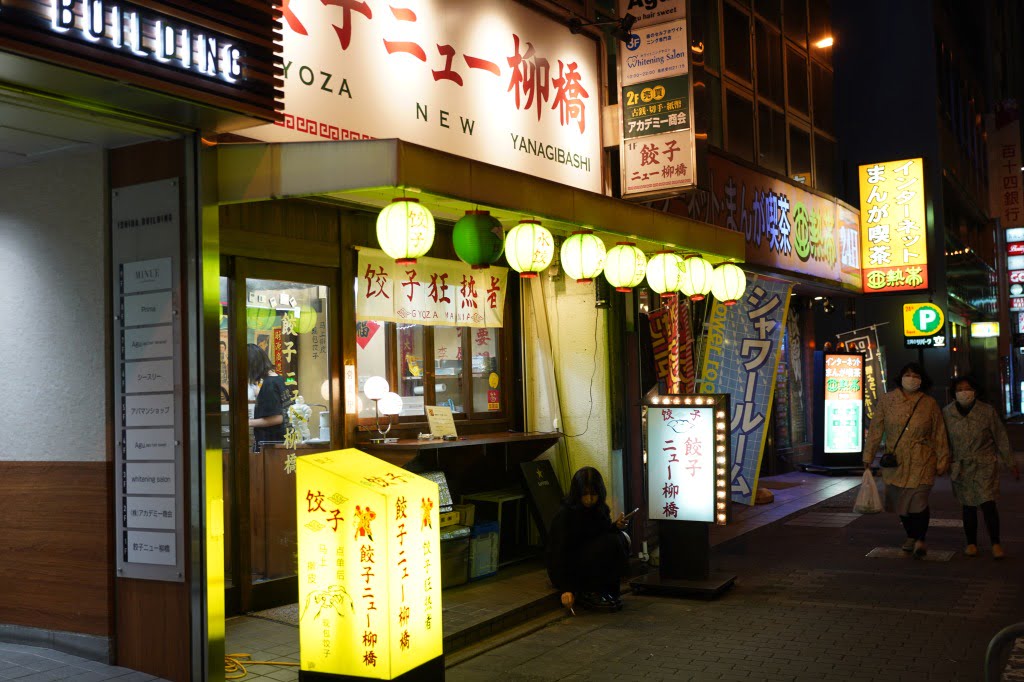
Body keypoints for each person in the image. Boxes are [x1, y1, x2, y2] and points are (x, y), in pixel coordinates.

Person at [862, 362, 949, 558]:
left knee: (919, 500)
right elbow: (876, 429)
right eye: (908, 374)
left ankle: (920, 539)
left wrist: (943, 459)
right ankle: (911, 535)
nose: (911, 378)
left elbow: (939, 433)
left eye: (916, 375)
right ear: (900, 377)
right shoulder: (887, 400)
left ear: (922, 380)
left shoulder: (929, 403)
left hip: (922, 459)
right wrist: (868, 455)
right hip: (895, 461)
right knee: (900, 502)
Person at [942, 376, 1020, 559]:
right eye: (959, 389)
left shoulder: (987, 411)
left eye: (967, 388)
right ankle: (971, 544)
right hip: (961, 466)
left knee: (988, 503)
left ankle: (996, 544)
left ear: (975, 391)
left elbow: (1000, 437)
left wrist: (1010, 463)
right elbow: (942, 440)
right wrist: (942, 461)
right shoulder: (947, 413)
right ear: (954, 393)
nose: (964, 392)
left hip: (984, 464)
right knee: (968, 506)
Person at [546, 467, 630, 612]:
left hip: (590, 558)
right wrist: (566, 589)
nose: (589, 499)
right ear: (577, 493)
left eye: (593, 494)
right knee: (610, 542)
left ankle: (606, 590)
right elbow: (558, 553)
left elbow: (600, 532)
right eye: (584, 494)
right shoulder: (566, 514)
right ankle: (588, 592)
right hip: (572, 566)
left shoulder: (599, 509)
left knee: (621, 538)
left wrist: (616, 526)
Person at [247, 343, 287, 450]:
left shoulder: (269, 384)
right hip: (281, 442)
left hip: (272, 446)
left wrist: (248, 422)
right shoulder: (278, 379)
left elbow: (277, 418)